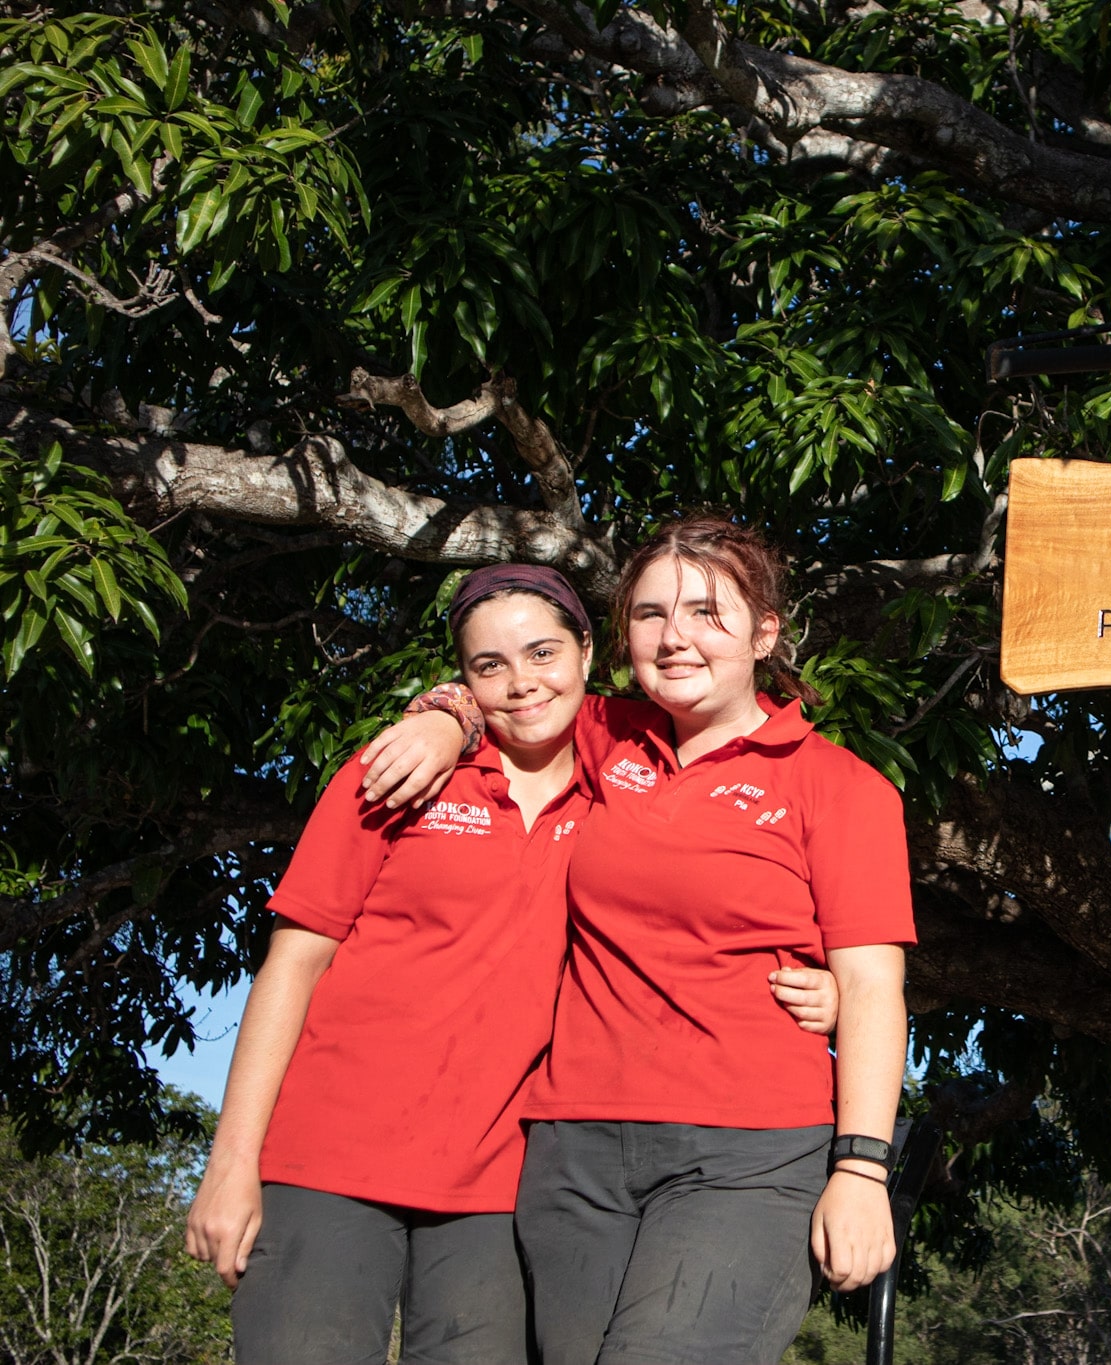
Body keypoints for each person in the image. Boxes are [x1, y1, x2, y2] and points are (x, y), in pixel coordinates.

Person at [182, 564, 839, 1365]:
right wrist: (231, 1163)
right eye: (487, 667)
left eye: (542, 653)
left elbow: (690, 918)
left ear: (589, 652)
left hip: (498, 1186)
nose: (520, 682)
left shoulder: (622, 787)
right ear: (463, 676)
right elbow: (293, 962)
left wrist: (829, 988)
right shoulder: (401, 772)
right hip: (328, 1160)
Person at [366, 516, 915, 1365]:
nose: (675, 636)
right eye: (652, 613)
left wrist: (863, 1170)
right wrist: (441, 720)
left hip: (749, 1152)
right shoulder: (602, 734)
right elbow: (503, 689)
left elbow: (875, 986)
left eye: (706, 612)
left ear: (765, 631)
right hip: (573, 1150)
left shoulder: (842, 787)